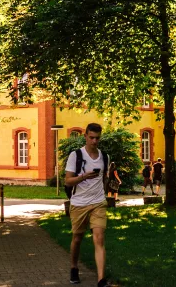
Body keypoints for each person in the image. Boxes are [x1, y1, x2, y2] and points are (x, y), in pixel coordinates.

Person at [64, 123, 111, 287]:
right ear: (85, 136)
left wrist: (104, 193)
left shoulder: (105, 157)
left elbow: (104, 179)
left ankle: (101, 279)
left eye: (97, 138)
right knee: (77, 238)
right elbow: (68, 181)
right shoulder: (75, 155)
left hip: (98, 203)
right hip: (79, 204)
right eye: (91, 137)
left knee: (99, 238)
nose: (94, 141)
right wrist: (84, 177)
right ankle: (74, 267)